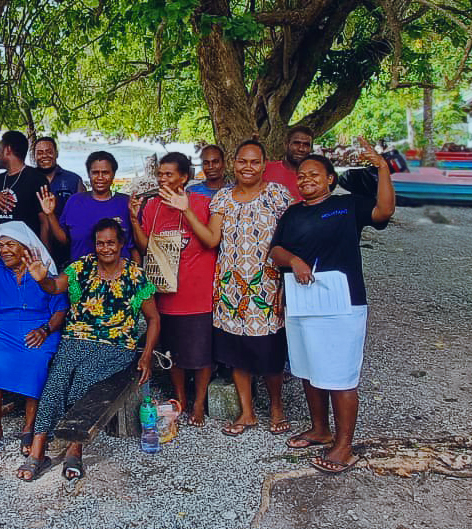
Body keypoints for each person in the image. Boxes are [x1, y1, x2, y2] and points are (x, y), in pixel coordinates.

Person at [270, 140, 394, 474]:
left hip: (343, 301)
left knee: (340, 374)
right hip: (303, 301)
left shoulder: (347, 206)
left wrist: (383, 168)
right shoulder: (293, 213)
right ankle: (320, 428)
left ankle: (344, 445)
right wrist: (294, 260)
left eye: (314, 174)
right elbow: (276, 251)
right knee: (310, 368)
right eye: (301, 175)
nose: (305, 179)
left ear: (329, 180)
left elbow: (384, 211)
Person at [163, 140, 295, 436]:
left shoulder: (277, 195)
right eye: (242, 161)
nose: (248, 167)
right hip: (229, 288)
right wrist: (186, 211)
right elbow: (211, 240)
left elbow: (291, 237)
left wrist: (289, 277)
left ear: (263, 165)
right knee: (236, 351)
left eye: (254, 162)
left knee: (270, 351)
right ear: (234, 163)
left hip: (266, 286)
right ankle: (247, 413)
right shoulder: (222, 198)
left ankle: (276, 408)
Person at [16, 218, 160, 482]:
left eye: (111, 243)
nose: (105, 248)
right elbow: (53, 286)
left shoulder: (135, 275)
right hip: (76, 339)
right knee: (56, 380)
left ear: (121, 245)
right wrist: (41, 279)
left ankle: (75, 449)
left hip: (116, 346)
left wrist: (147, 354)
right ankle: (37, 452)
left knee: (83, 379)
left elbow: (153, 319)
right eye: (100, 243)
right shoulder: (81, 267)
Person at [130, 152, 217, 426]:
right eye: (160, 174)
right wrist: (134, 219)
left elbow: (210, 241)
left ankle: (199, 404)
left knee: (202, 354)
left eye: (169, 174)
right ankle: (180, 398)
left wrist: (184, 209)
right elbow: (146, 248)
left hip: (198, 290)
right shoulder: (152, 206)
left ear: (184, 177)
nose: (163, 179)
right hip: (166, 291)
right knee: (174, 354)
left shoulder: (204, 203)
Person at [0, 223, 69, 458]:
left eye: (10, 244)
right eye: (0, 245)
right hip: (3, 329)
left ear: (25, 247)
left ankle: (29, 426)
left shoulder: (41, 270)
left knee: (35, 363)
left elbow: (60, 310)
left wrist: (45, 330)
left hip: (39, 328)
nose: (4, 250)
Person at [38, 151, 138, 266]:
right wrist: (50, 214)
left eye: (105, 172)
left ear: (113, 174)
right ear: (89, 174)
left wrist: (137, 276)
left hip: (119, 277)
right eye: (95, 173)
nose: (100, 177)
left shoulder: (125, 203)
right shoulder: (75, 201)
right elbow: (64, 240)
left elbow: (134, 248)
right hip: (81, 276)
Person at [0, 130, 50, 244]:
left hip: (25, 251)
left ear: (7, 149)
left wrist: (43, 254)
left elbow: (45, 222)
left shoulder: (36, 179)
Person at [33, 136, 85, 216]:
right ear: (34, 156)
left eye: (49, 152)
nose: (44, 155)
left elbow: (83, 212)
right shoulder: (27, 179)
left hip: (65, 227)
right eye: (40, 153)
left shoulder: (74, 180)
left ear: (56, 154)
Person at [263, 125, 314, 201]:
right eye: (296, 143)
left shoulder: (315, 178)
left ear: (311, 149)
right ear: (286, 145)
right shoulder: (265, 169)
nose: (301, 149)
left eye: (306, 145)